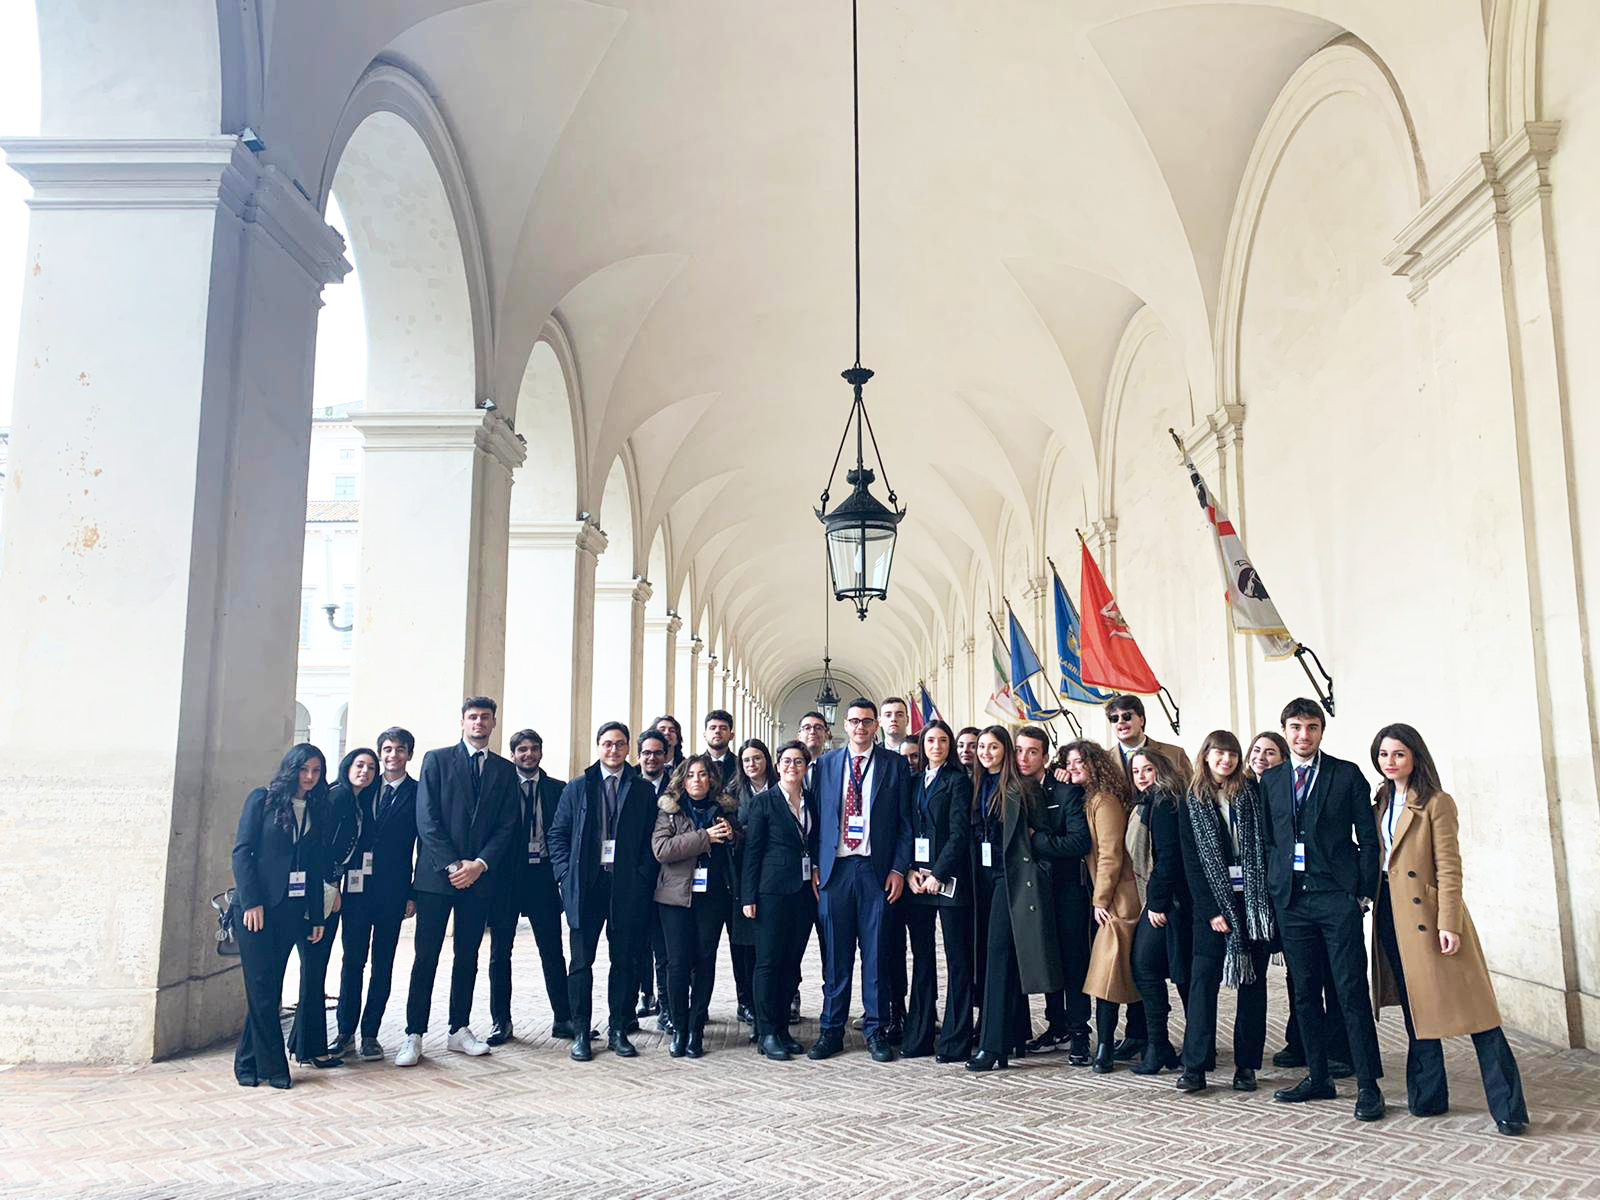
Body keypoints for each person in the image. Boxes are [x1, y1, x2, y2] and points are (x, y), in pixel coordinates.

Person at [1371, 724, 1528, 1135]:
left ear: (1416, 757)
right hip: (1391, 913)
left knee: (1475, 1011)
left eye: (1399, 754)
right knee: (1415, 1007)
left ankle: (1509, 1107)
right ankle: (1428, 1096)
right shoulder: (1382, 799)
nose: (1390, 762)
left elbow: (1450, 867)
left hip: (1431, 917)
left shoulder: (1437, 803)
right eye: (1384, 754)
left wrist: (1450, 924)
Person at [1261, 698, 1386, 1121]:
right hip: (1293, 902)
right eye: (1295, 727)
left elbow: (1368, 839)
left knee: (1350, 991)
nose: (1303, 735)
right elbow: (1268, 841)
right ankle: (1318, 1077)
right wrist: (1276, 892)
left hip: (1337, 898)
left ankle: (1368, 1085)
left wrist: (1363, 893)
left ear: (1321, 732)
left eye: (1311, 727)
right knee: (1304, 992)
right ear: (1285, 729)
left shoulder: (1346, 774)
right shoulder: (1272, 779)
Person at [397, 697, 519, 1067]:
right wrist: (453, 864)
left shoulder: (503, 769)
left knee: (468, 956)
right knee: (426, 957)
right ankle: (413, 1033)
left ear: (494, 723)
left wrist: (479, 864)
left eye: (485, 717)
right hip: (437, 878)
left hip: (479, 879)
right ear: (462, 722)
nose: (478, 722)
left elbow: (507, 824)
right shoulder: (436, 760)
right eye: (472, 717)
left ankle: (458, 1029)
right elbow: (426, 818)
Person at [808, 698, 912, 1063]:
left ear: (876, 726)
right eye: (854, 721)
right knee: (835, 956)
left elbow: (904, 824)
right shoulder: (825, 765)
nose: (860, 728)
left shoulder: (895, 765)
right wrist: (815, 866)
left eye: (867, 722)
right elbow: (816, 820)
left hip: (874, 871)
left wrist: (899, 869)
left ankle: (876, 1031)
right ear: (845, 727)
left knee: (876, 954)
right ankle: (831, 1031)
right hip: (835, 871)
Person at [548, 721, 660, 1061]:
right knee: (581, 962)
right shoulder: (578, 787)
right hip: (586, 884)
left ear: (628, 749)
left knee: (623, 960)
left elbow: (650, 840)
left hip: (626, 886)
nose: (613, 750)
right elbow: (558, 835)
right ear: (598, 747)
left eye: (620, 744)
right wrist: (566, 876)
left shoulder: (641, 790)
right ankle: (581, 1031)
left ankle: (617, 1030)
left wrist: (642, 877)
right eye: (607, 744)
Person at [1175, 731, 1275, 1094]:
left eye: (1232, 754)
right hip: (1212, 910)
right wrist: (1210, 910)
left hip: (1253, 906)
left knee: (1253, 987)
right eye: (1219, 753)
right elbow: (1191, 862)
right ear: (1206, 756)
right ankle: (1195, 1066)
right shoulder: (1191, 801)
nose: (1226, 760)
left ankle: (1246, 1066)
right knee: (1203, 986)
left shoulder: (1251, 794)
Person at [967, 726, 1069, 1071]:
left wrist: (1035, 873)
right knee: (998, 960)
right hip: (982, 882)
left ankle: (991, 1046)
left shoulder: (1020, 789)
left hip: (1009, 883)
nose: (985, 752)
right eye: (981, 746)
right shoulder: (978, 784)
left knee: (998, 961)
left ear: (1005, 751)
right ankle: (1010, 1038)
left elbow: (1045, 836)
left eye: (993, 747)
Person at [1250, 730, 1351, 1077]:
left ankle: (1339, 1049)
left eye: (1270, 752)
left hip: (1327, 893)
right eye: (1257, 751)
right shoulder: (1265, 787)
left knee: (1333, 978)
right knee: (1302, 979)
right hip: (1287, 895)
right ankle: (1306, 1045)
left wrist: (1358, 892)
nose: (1262, 758)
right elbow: (1269, 842)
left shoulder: (1331, 777)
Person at [231, 744, 332, 1089]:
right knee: (260, 988)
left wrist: (317, 916)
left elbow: (316, 868)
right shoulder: (261, 800)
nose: (309, 777)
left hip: (292, 912)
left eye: (316, 771)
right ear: (291, 769)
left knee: (269, 988)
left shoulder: (318, 808)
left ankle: (246, 1061)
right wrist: (251, 902)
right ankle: (274, 1068)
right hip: (256, 911)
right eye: (304, 769)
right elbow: (242, 852)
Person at [334, 727, 419, 1062]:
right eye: (386, 749)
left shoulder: (418, 792)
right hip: (356, 890)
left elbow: (422, 845)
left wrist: (414, 893)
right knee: (351, 961)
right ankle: (344, 1032)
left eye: (399, 749)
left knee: (382, 965)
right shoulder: (362, 789)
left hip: (393, 891)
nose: (392, 755)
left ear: (409, 754)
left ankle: (371, 1034)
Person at [486, 728, 576, 1046]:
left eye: (533, 749)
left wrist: (563, 874)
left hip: (543, 878)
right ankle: (501, 1021)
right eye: (522, 749)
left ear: (540, 752)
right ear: (513, 755)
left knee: (552, 951)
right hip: (506, 879)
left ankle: (563, 1018)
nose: (528, 754)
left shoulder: (556, 789)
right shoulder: (499, 789)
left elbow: (566, 833)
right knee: (500, 953)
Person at [1061, 739, 1142, 1073]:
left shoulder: (1105, 801)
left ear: (1096, 763)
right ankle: (1129, 1040)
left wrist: (1100, 900)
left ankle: (1106, 1047)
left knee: (1107, 974)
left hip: (1117, 900)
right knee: (1119, 972)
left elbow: (1111, 854)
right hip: (1105, 897)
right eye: (1069, 763)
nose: (1074, 767)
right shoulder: (1090, 797)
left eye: (1080, 761)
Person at [652, 754, 739, 1057]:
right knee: (677, 965)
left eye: (703, 775)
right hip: (675, 899)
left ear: (712, 779)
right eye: (691, 775)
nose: (697, 780)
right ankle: (679, 1026)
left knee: (705, 962)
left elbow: (739, 844)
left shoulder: (725, 810)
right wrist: (704, 837)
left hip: (712, 898)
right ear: (682, 780)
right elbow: (662, 849)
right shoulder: (669, 812)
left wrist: (731, 836)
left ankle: (696, 1028)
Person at [741, 741, 820, 1060]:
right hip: (771, 892)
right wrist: (748, 896)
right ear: (777, 765)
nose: (792, 766)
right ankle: (766, 1031)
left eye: (798, 761)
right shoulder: (764, 803)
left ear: (805, 766)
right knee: (769, 962)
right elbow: (753, 852)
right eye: (786, 761)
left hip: (802, 894)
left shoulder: (811, 799)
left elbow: (813, 842)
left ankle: (783, 1030)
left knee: (791, 963)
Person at [287, 746, 365, 1067]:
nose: (365, 772)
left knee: (315, 969)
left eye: (370, 769)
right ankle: (312, 1049)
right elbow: (321, 854)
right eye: (360, 765)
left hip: (326, 891)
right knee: (314, 969)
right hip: (315, 895)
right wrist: (330, 889)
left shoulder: (341, 801)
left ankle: (301, 1043)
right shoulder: (336, 799)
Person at [1022, 728, 1095, 1063]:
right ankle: (1057, 1025)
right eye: (1020, 750)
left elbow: (1079, 842)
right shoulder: (1013, 789)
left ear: (1045, 757)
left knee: (1073, 960)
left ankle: (1080, 1031)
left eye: (1032, 752)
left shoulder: (1064, 791)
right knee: (1046, 955)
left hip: (1067, 889)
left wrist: (1037, 841)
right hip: (1033, 890)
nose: (1024, 758)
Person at [902, 720, 973, 1062]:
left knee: (957, 959)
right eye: (930, 740)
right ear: (922, 743)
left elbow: (960, 834)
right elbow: (906, 828)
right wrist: (912, 871)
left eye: (943, 740)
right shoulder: (913, 781)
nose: (936, 746)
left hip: (948, 881)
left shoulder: (958, 782)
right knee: (922, 959)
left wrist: (939, 873)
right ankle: (919, 1036)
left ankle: (956, 1040)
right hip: (917, 880)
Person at [1127, 746, 1192, 1076]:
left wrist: (1157, 903)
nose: (1141, 776)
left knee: (1146, 966)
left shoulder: (1164, 802)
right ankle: (1177, 1045)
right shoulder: (1147, 802)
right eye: (1136, 771)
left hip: (1169, 902)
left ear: (1161, 770)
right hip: (1160, 899)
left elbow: (1168, 857)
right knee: (1178, 972)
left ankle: (1160, 1046)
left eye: (1147, 769)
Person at [726, 737, 777, 1032]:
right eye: (747, 760)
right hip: (744, 874)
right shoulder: (732, 795)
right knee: (743, 943)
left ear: (766, 760)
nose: (752, 764)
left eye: (757, 758)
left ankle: (779, 998)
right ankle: (747, 1000)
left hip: (776, 872)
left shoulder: (782, 787)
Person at [633, 730, 674, 1032]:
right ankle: (632, 1005)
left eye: (657, 752)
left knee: (665, 949)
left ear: (666, 756)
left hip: (668, 878)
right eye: (646, 753)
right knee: (634, 947)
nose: (651, 758)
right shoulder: (629, 785)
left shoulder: (677, 787)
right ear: (639, 756)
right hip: (634, 879)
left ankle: (667, 1008)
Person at [795, 709, 833, 1019]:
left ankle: (831, 1001)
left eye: (818, 728)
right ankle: (791, 997)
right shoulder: (783, 772)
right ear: (798, 734)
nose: (812, 733)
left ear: (827, 735)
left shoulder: (834, 769)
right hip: (792, 874)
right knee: (791, 942)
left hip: (827, 872)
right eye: (806, 727)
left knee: (829, 942)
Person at [1105, 695, 1192, 786]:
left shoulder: (1175, 755)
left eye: (1126, 716)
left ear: (1141, 720)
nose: (1120, 721)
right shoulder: (1104, 761)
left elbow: (1192, 794)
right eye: (1114, 719)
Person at [702, 709, 737, 788]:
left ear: (731, 735)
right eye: (712, 728)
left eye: (723, 728)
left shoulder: (740, 765)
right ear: (705, 735)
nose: (717, 731)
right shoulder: (695, 765)